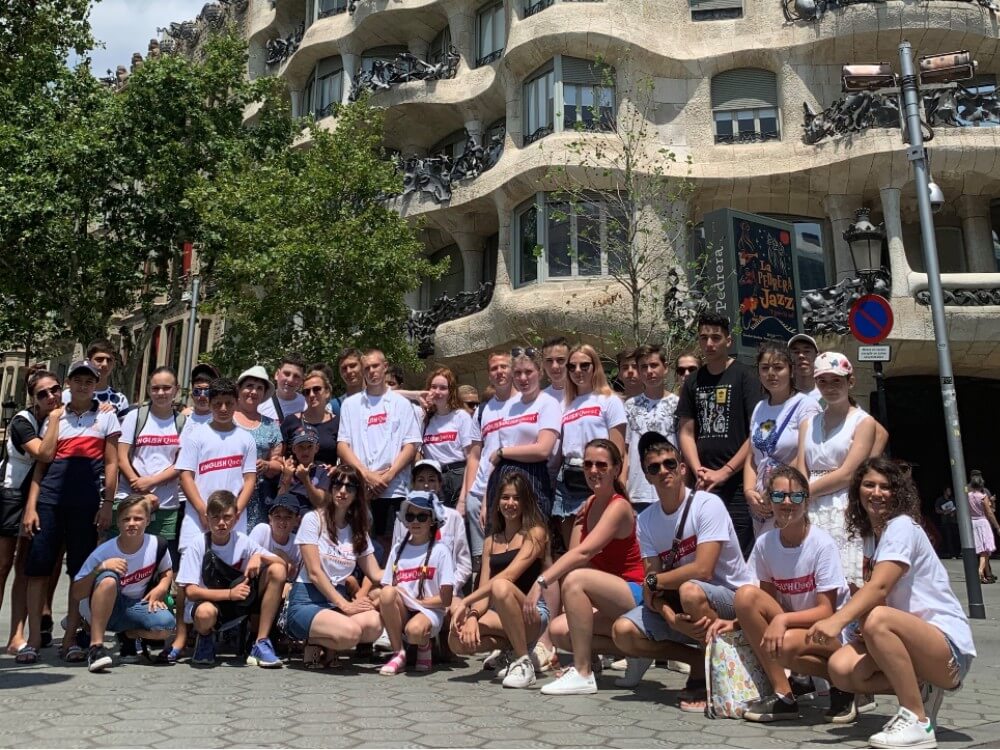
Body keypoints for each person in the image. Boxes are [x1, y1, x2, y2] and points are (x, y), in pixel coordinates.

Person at [814, 457, 976, 749]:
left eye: (885, 487)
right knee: (841, 669)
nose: (877, 493)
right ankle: (921, 688)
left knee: (878, 619)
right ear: (858, 490)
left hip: (948, 650)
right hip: (913, 643)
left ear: (898, 493)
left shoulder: (901, 527)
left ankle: (917, 720)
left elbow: (880, 587)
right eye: (869, 485)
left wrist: (836, 621)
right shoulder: (874, 537)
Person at [610, 432, 753, 710]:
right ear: (647, 476)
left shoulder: (707, 504)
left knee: (691, 590)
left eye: (670, 464)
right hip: (681, 603)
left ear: (683, 468)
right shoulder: (646, 520)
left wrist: (655, 580)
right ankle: (697, 661)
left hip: (729, 598)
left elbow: (703, 570)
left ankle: (720, 672)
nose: (663, 471)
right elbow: (652, 590)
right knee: (623, 631)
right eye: (654, 468)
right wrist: (669, 617)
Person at [707, 465, 855, 723]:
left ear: (806, 501)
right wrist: (736, 623)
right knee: (745, 596)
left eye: (795, 496)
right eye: (778, 496)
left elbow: (826, 611)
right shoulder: (765, 544)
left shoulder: (822, 545)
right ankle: (784, 695)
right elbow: (765, 602)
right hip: (792, 628)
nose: (787, 502)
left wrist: (782, 620)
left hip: (829, 632)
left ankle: (844, 685)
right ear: (769, 501)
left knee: (784, 643)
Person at [524, 439, 645, 696]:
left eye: (601, 465)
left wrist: (541, 582)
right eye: (588, 464)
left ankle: (582, 673)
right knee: (559, 630)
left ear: (616, 469)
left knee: (576, 580)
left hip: (634, 593)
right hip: (608, 598)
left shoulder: (619, 506)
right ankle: (637, 652)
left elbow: (583, 553)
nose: (593, 470)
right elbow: (576, 557)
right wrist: (580, 524)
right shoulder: (589, 504)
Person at [22, 359, 120, 663]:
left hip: (86, 504)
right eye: (78, 380)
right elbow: (42, 465)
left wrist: (107, 504)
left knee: (80, 571)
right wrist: (31, 507)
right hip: (49, 502)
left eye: (89, 381)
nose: (83, 385)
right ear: (68, 383)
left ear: (95, 384)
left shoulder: (107, 417)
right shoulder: (54, 417)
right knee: (38, 570)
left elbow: (112, 463)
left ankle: (70, 639)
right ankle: (33, 639)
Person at [170, 378, 257, 663]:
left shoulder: (245, 438)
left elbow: (249, 479)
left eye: (228, 403)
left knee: (231, 572)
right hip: (198, 519)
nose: (222, 408)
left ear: (236, 404)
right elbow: (185, 475)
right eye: (217, 403)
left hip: (232, 520)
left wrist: (236, 512)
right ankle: (183, 634)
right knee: (187, 578)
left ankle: (222, 630)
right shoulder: (196, 436)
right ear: (209, 403)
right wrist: (202, 510)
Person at [448, 472, 550, 689]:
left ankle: (523, 662)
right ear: (497, 502)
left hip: (532, 613)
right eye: (505, 497)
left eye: (516, 498)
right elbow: (484, 591)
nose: (510, 503)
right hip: (501, 615)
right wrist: (473, 616)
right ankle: (509, 650)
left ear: (525, 502)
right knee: (456, 639)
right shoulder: (490, 541)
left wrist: (466, 601)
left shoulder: (536, 533)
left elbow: (508, 577)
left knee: (502, 587)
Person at [677, 312, 762, 558]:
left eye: (716, 338)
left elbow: (756, 432)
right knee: (705, 551)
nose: (709, 344)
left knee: (738, 554)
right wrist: (699, 471)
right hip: (703, 483)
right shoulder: (693, 381)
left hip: (738, 484)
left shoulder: (745, 376)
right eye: (704, 338)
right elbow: (686, 431)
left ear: (728, 341)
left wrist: (725, 471)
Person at [176, 489, 287, 668]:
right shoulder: (198, 544)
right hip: (212, 604)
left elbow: (282, 565)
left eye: (227, 517)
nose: (221, 523)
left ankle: (261, 642)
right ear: (207, 518)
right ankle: (205, 638)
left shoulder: (243, 541)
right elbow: (191, 591)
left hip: (241, 602)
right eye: (216, 517)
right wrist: (229, 594)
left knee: (277, 570)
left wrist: (259, 556)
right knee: (204, 613)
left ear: (236, 518)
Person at [286, 466, 383, 668]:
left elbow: (375, 574)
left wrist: (406, 569)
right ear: (331, 488)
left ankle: (327, 642)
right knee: (351, 634)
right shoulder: (313, 520)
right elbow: (314, 573)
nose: (342, 491)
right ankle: (314, 640)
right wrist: (345, 605)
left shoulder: (358, 530)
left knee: (374, 625)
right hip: (307, 600)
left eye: (350, 487)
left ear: (357, 494)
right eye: (338, 485)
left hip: (334, 603)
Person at [795, 353, 875, 588]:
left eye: (836, 380)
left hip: (843, 502)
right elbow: (801, 465)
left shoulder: (863, 422)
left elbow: (849, 473)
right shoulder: (807, 423)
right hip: (809, 504)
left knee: (844, 575)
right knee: (809, 573)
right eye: (822, 381)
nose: (829, 387)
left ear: (850, 382)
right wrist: (800, 497)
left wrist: (804, 493)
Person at [71, 495, 175, 672]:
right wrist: (100, 568)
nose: (132, 523)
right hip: (102, 607)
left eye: (138, 518)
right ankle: (96, 647)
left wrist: (162, 588)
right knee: (108, 579)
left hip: (135, 605)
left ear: (148, 520)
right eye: (126, 519)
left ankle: (128, 634)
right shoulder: (104, 551)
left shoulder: (157, 544)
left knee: (166, 625)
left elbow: (167, 571)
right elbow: (77, 592)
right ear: (118, 523)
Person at [3, 369, 62, 662]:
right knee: (2, 566)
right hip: (11, 497)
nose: (51, 396)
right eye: (43, 393)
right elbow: (44, 453)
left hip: (38, 500)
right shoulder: (22, 421)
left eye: (55, 389)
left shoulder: (63, 417)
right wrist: (56, 419)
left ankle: (17, 634)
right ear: (33, 399)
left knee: (25, 569)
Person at [338, 349, 421, 552]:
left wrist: (387, 477)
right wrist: (366, 475)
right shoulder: (350, 405)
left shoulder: (402, 404)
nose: (371, 371)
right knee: (359, 542)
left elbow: (411, 445)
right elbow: (342, 445)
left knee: (393, 544)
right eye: (367, 368)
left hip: (393, 488)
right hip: (360, 487)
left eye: (375, 366)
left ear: (385, 367)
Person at [744, 343, 822, 535]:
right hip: (760, 503)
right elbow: (752, 456)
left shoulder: (806, 406)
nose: (771, 374)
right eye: (765, 368)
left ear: (791, 370)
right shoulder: (759, 408)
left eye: (778, 367)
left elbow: (805, 454)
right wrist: (749, 492)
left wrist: (773, 489)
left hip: (787, 497)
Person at [554, 344, 626, 550]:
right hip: (567, 479)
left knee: (598, 547)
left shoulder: (610, 400)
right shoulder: (565, 404)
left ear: (595, 367)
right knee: (572, 548)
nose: (578, 371)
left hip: (596, 476)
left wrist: (612, 483)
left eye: (584, 365)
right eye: (572, 366)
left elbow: (617, 449)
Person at [378, 490, 455, 675]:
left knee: (414, 631)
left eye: (422, 516)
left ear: (432, 520)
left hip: (429, 610)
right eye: (410, 516)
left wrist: (418, 602)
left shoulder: (441, 551)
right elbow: (387, 585)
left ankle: (424, 644)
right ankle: (399, 653)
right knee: (386, 593)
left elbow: (446, 600)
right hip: (403, 608)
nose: (415, 521)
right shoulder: (397, 549)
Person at [116, 366, 185, 569]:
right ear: (148, 389)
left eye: (166, 388)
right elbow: (121, 457)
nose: (161, 393)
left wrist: (152, 481)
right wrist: (142, 490)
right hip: (131, 501)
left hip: (166, 505)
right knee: (126, 562)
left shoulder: (182, 422)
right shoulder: (135, 417)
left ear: (176, 389)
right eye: (155, 388)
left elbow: (181, 464)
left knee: (162, 565)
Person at [484, 347, 560, 521]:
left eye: (528, 372)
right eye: (518, 373)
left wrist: (503, 452)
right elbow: (495, 457)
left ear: (540, 373)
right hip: (502, 479)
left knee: (532, 533)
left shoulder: (548, 403)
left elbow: (543, 449)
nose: (523, 378)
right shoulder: (510, 406)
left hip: (532, 478)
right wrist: (485, 499)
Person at [463, 352, 515, 576]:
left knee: (508, 551)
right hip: (480, 490)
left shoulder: (525, 403)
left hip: (510, 490)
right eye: (494, 368)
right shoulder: (482, 410)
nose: (499, 372)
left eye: (504, 366)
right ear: (489, 374)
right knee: (481, 558)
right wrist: (469, 495)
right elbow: (475, 455)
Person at [392, 460, 472, 594]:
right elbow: (396, 558)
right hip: (409, 593)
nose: (426, 485)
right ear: (413, 484)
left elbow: (464, 565)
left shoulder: (453, 517)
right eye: (420, 480)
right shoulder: (402, 519)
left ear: (440, 484)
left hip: (447, 595)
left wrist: (447, 591)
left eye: (432, 480)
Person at [624, 345, 680, 514]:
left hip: (671, 488)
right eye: (644, 367)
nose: (649, 371)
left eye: (654, 365)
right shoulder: (630, 406)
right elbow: (624, 450)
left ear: (665, 368)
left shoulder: (678, 404)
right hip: (638, 491)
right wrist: (622, 483)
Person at [234, 366, 285, 531]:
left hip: (258, 499)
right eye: (249, 386)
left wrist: (267, 465)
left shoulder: (271, 425)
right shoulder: (225, 419)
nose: (253, 391)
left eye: (259, 388)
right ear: (239, 389)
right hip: (227, 493)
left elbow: (279, 463)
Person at [421, 368, 475, 510]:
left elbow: (471, 458)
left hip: (458, 477)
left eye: (443, 388)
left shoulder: (461, 416)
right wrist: (418, 395)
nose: (437, 392)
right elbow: (391, 394)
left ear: (451, 392)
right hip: (434, 480)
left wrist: (463, 499)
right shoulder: (424, 418)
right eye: (433, 387)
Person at [279, 369, 339, 466]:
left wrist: (336, 469)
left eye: (316, 389)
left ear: (327, 392)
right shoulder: (291, 421)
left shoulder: (338, 423)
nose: (311, 395)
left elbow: (344, 458)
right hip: (296, 475)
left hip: (327, 475)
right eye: (306, 392)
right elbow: (278, 457)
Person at [62, 339, 129, 418]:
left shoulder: (120, 400)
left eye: (109, 360)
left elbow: (124, 426)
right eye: (99, 359)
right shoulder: (68, 395)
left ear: (114, 363)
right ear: (88, 361)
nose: (105, 364)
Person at [249, 493, 302, 582]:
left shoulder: (297, 544)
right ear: (270, 519)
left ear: (297, 520)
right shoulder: (262, 530)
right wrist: (281, 557)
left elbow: (295, 574)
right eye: (277, 516)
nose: (282, 521)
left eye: (288, 517)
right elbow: (248, 558)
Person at [277, 426, 331, 512]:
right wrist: (287, 479)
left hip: (312, 516)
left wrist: (306, 480)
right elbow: (279, 503)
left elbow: (320, 503)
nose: (305, 451)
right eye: (301, 447)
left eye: (310, 446)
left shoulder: (323, 472)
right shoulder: (288, 470)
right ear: (294, 449)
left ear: (316, 448)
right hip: (291, 515)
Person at [969, 471, 1000, 584]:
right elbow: (990, 513)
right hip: (982, 522)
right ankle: (980, 571)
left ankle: (988, 574)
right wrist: (997, 526)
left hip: (972, 522)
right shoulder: (983, 496)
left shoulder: (968, 496)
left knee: (981, 549)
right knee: (985, 549)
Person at [258, 353, 307, 422]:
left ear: (302, 380)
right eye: (286, 374)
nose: (290, 380)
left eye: (296, 376)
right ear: (277, 374)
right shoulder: (259, 404)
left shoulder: (307, 405)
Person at [329, 348, 364, 417]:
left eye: (353, 366)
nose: (348, 371)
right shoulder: (333, 408)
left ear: (363, 366)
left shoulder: (380, 399)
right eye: (344, 368)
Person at [788, 334, 821, 400]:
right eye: (796, 352)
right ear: (789, 358)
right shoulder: (782, 397)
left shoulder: (827, 395)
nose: (801, 355)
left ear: (816, 356)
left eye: (807, 351)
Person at [934, 487, 959, 560]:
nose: (950, 492)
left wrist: (953, 512)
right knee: (949, 537)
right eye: (948, 491)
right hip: (945, 521)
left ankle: (957, 553)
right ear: (945, 491)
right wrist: (944, 512)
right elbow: (937, 510)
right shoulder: (940, 500)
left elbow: (957, 508)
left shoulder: (953, 499)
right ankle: (952, 554)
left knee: (955, 537)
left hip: (954, 521)